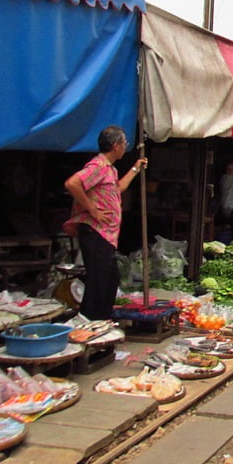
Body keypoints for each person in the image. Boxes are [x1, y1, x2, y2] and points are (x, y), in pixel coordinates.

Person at [63, 126, 147, 320]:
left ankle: (101, 319)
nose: (126, 146)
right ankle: (90, 320)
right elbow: (72, 183)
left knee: (109, 279)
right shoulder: (98, 166)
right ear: (116, 146)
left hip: (106, 235)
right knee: (98, 281)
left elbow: (118, 188)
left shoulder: (110, 169)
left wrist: (136, 168)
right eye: (124, 143)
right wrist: (92, 209)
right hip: (95, 231)